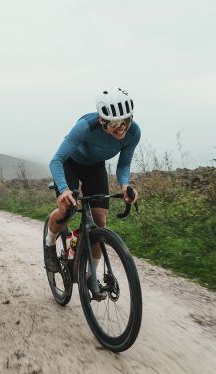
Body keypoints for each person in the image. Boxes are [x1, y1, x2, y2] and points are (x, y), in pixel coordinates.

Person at [44, 87, 140, 300]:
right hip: (69, 163)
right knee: (67, 208)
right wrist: (64, 190)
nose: (121, 128)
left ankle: (90, 275)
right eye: (115, 123)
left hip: (94, 166)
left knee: (99, 220)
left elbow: (123, 165)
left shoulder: (134, 133)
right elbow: (56, 160)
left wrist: (125, 186)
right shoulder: (85, 127)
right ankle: (49, 244)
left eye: (126, 120)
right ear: (102, 121)